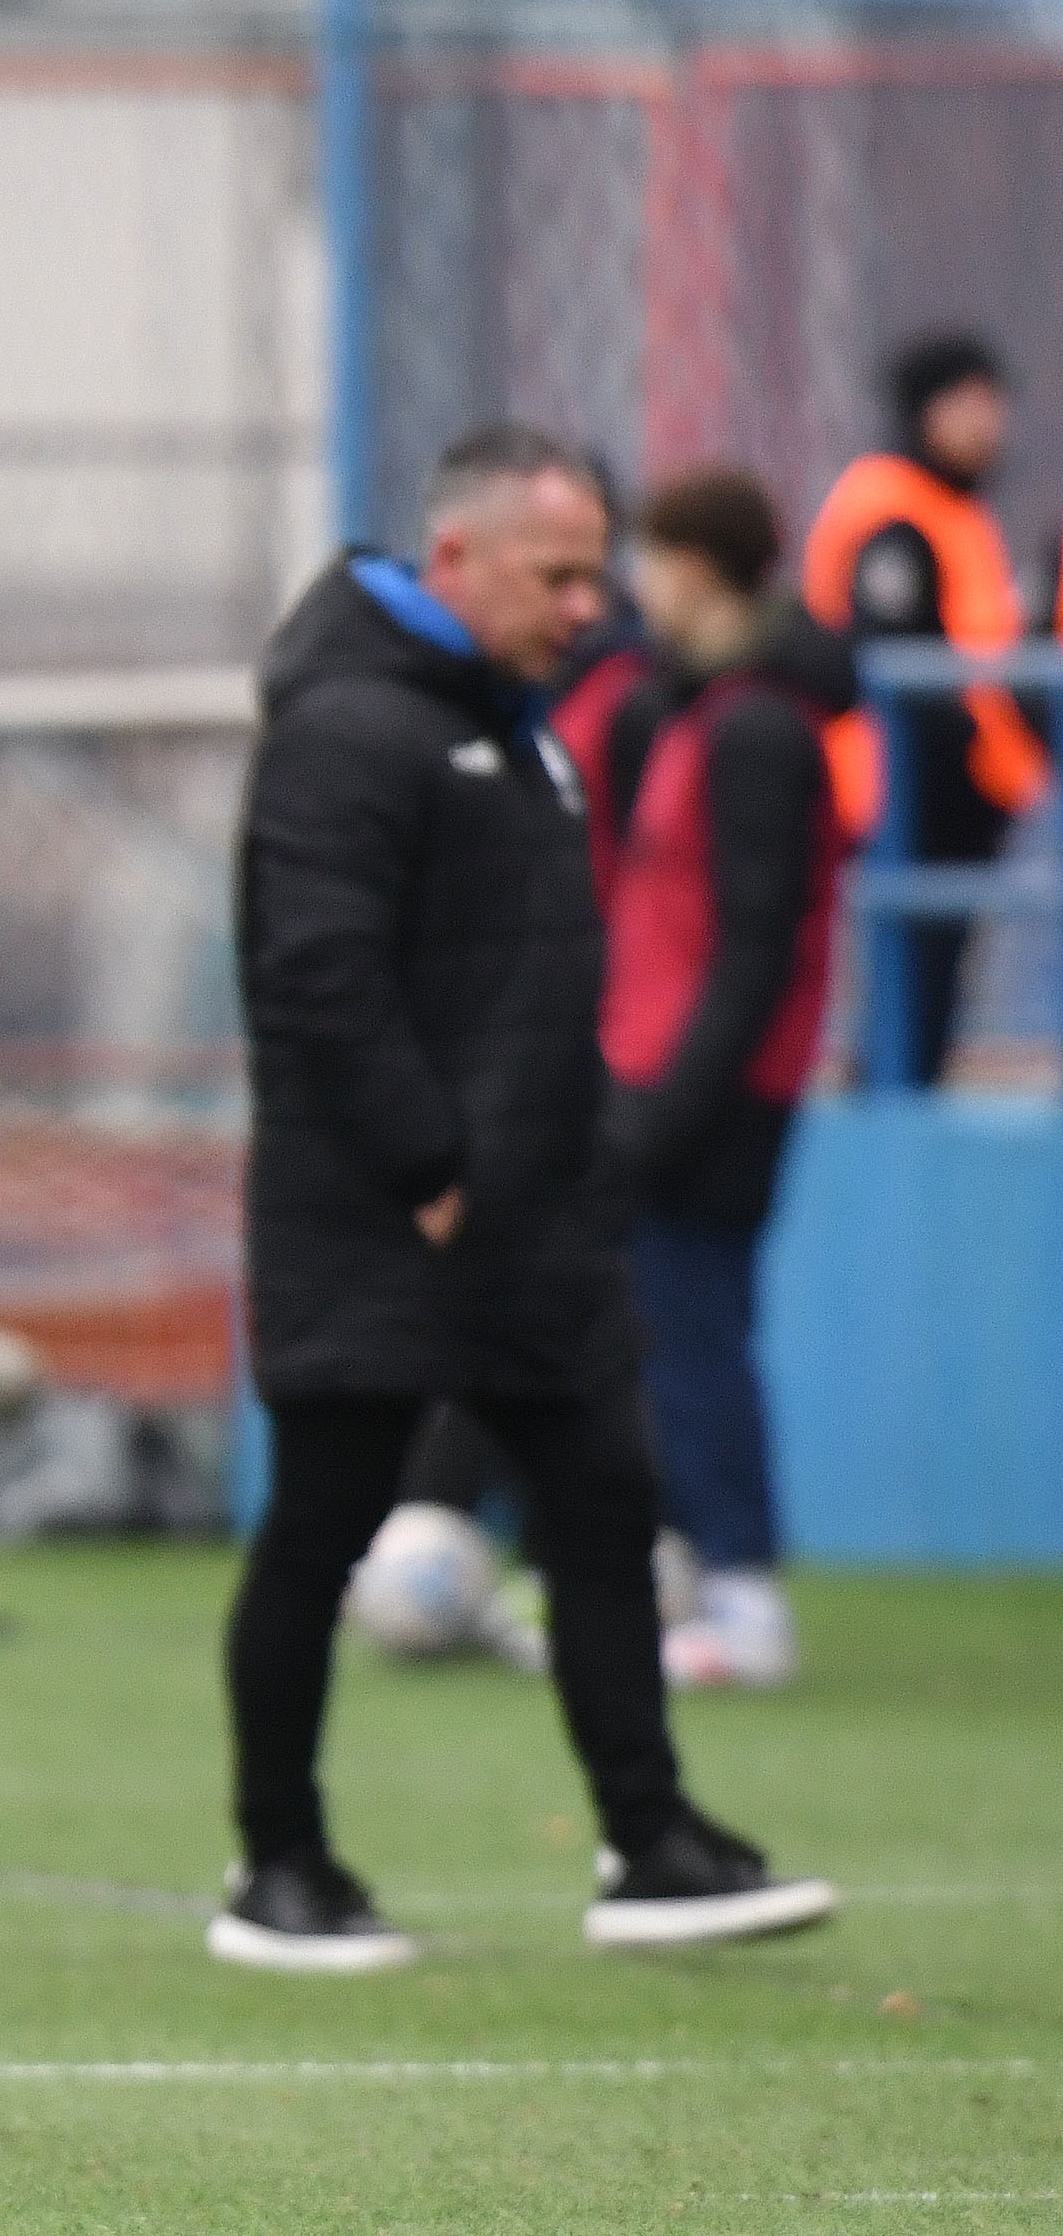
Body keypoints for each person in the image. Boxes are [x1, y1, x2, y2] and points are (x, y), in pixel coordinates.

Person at [220, 423, 831, 1973]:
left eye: (595, 573)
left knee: (605, 1505)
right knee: (323, 1524)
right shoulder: (347, 732)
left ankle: (652, 1843)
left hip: (540, 1220)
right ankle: (277, 1864)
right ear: (456, 557)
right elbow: (317, 976)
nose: (585, 605)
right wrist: (426, 1166)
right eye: (555, 575)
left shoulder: (525, 729)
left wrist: (579, 1146)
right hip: (384, 1218)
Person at [597, 469, 857, 1689]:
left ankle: (743, 1592)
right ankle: (690, 1570)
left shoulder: (755, 731)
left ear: (697, 568)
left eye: (651, 558)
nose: (635, 586)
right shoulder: (697, 714)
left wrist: (675, 1102)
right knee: (660, 1325)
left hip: (715, 1083)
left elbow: (754, 941)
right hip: (667, 1067)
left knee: (693, 1327)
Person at [801, 332, 1041, 1087]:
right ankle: (888, 1099)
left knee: (932, 982)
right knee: (908, 981)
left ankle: (901, 1084)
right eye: (968, 404)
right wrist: (967, 751)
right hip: (903, 789)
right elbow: (899, 656)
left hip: (959, 788)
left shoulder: (955, 508)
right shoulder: (894, 510)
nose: (988, 424)